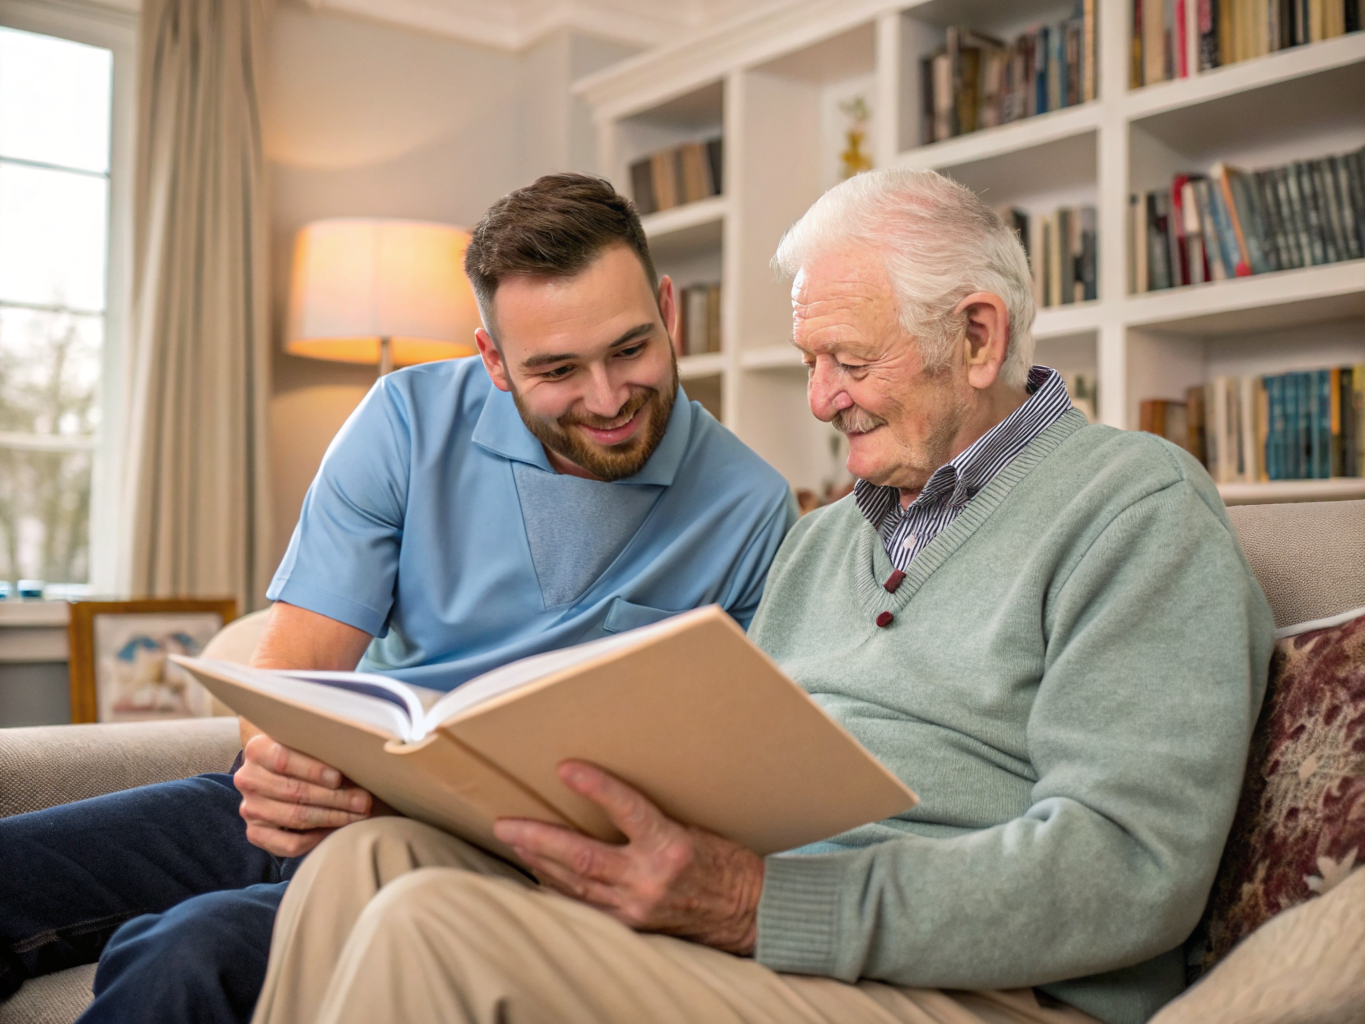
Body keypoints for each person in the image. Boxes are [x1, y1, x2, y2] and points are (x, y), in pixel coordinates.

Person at [247, 167, 1275, 1024]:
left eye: (849, 361)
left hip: (975, 987)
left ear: (977, 337)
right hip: (771, 945)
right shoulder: (820, 542)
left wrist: (760, 902)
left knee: (432, 927)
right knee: (369, 862)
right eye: (810, 362)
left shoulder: (1133, 505)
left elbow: (1129, 865)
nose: (821, 399)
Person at [0, 174, 795, 1024]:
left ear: (668, 314)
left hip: (495, 866)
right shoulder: (404, 420)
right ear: (494, 360)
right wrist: (284, 769)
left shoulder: (751, 509)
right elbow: (293, 676)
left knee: (189, 953)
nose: (606, 398)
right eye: (557, 369)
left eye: (629, 350)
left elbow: (723, 793)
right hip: (331, 800)